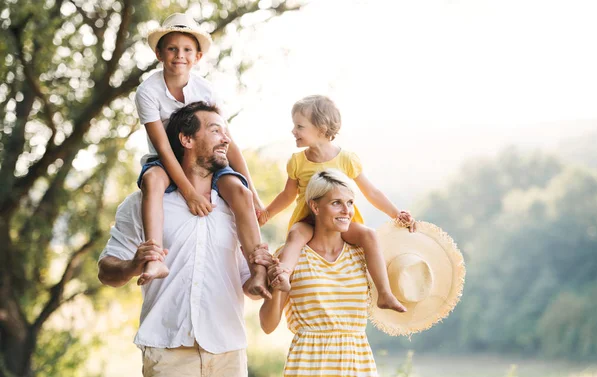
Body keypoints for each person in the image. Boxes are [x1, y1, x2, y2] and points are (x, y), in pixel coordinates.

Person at [98, 102, 269, 376]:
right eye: (215, 131)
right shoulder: (142, 204)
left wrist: (269, 276)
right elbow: (106, 272)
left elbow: (248, 285)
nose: (226, 139)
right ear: (186, 139)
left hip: (228, 354)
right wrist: (133, 265)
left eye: (226, 132)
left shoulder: (235, 205)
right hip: (167, 353)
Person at [134, 12, 268, 298]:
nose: (179, 56)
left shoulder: (205, 90)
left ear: (197, 57)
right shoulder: (147, 91)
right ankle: (155, 257)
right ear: (159, 53)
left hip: (205, 156)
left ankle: (258, 268)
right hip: (168, 159)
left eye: (186, 50)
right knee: (153, 180)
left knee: (239, 192)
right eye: (172, 48)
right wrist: (189, 193)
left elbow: (226, 140)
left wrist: (253, 192)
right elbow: (163, 147)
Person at [258, 95, 414, 311]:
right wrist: (267, 213)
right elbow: (288, 195)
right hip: (308, 221)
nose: (293, 131)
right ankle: (283, 275)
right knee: (295, 236)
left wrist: (396, 214)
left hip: (339, 223)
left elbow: (372, 192)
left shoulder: (346, 159)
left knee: (368, 234)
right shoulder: (297, 162)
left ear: (321, 129)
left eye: (299, 126)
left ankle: (385, 293)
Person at [258, 169, 381, 376]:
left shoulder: (361, 255)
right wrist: (279, 288)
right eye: (336, 203)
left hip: (357, 366)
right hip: (309, 365)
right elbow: (268, 325)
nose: (346, 211)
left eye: (350, 203)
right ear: (315, 206)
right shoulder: (291, 256)